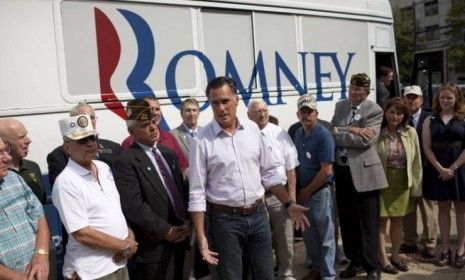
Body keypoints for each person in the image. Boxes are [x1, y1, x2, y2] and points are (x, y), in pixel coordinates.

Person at [188, 76, 309, 280]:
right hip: (225, 223)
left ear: (236, 100)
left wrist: (288, 203)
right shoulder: (201, 141)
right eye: (215, 103)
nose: (221, 108)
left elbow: (269, 173)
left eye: (225, 101)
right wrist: (201, 238)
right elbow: (196, 193)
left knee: (265, 274)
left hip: (258, 216)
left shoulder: (252, 130)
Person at [52, 114, 137, 280]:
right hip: (93, 272)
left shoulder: (103, 167)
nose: (90, 143)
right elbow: (82, 233)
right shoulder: (66, 182)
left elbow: (113, 210)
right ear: (67, 148)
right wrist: (125, 246)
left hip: (119, 263)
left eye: (92, 137)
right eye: (82, 140)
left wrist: (129, 237)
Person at [114, 100, 189, 280]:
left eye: (154, 122)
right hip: (155, 249)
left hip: (182, 238)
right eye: (145, 125)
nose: (153, 128)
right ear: (131, 132)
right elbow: (133, 205)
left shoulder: (168, 153)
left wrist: (187, 220)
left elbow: (180, 191)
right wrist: (166, 231)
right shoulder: (126, 161)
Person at [331, 73, 388, 280]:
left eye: (358, 90)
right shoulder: (340, 106)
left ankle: (372, 266)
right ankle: (354, 262)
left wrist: (343, 131)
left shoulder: (374, 109)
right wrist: (354, 129)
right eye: (351, 88)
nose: (353, 92)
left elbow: (366, 141)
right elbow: (331, 131)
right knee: (347, 221)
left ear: (366, 92)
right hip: (343, 171)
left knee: (368, 223)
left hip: (365, 173)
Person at [247, 100, 299, 280]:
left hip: (279, 196)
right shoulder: (243, 135)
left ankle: (287, 273)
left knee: (285, 237)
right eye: (257, 111)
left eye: (264, 110)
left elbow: (291, 168)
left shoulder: (280, 134)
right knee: (261, 240)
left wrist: (291, 200)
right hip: (256, 198)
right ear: (249, 115)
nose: (262, 114)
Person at [377, 97, 422, 275]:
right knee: (381, 222)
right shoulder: (378, 132)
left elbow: (417, 161)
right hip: (382, 181)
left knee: (398, 221)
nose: (395, 116)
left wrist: (416, 188)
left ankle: (395, 256)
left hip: (403, 181)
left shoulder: (410, 132)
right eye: (392, 112)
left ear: (404, 115)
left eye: (399, 113)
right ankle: (383, 259)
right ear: (385, 112)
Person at [422, 83, 465, 268]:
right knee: (443, 209)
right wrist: (440, 168)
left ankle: (461, 250)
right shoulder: (429, 119)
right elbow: (426, 147)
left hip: (460, 167)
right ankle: (446, 249)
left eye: (449, 97)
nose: (445, 100)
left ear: (456, 99)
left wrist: (453, 168)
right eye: (442, 98)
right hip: (437, 169)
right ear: (437, 99)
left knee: (462, 210)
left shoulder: (463, 118)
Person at [294, 95, 336, 280]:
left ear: (316, 113)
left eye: (310, 111)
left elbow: (326, 170)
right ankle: (317, 268)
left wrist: (307, 191)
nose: (306, 115)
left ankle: (328, 275)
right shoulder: (297, 133)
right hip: (304, 192)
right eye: (303, 112)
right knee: (309, 235)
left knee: (326, 236)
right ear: (298, 114)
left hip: (319, 193)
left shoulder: (323, 135)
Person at [0, 138, 51, 280]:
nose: (8, 158)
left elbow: (39, 215)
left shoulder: (14, 179)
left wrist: (41, 255)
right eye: (0, 153)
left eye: (6, 150)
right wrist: (20, 278)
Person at [401, 85, 438, 259]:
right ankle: (410, 242)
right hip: (405, 171)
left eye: (415, 97)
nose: (411, 100)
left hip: (427, 170)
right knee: (408, 207)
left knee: (427, 208)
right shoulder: (399, 118)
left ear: (421, 100)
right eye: (408, 97)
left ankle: (430, 243)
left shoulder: (430, 118)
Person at [47, 103, 122, 186]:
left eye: (92, 118)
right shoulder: (58, 156)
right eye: (83, 119)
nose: (89, 122)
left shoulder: (114, 148)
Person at [120, 96, 188, 175]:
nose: (155, 113)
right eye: (151, 109)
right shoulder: (128, 142)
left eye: (157, 109)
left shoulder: (169, 136)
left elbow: (183, 166)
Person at [0, 118, 46, 204]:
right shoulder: (2, 173)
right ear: (4, 143)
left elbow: (42, 203)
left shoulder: (32, 166)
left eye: (26, 135)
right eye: (21, 137)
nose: (28, 141)